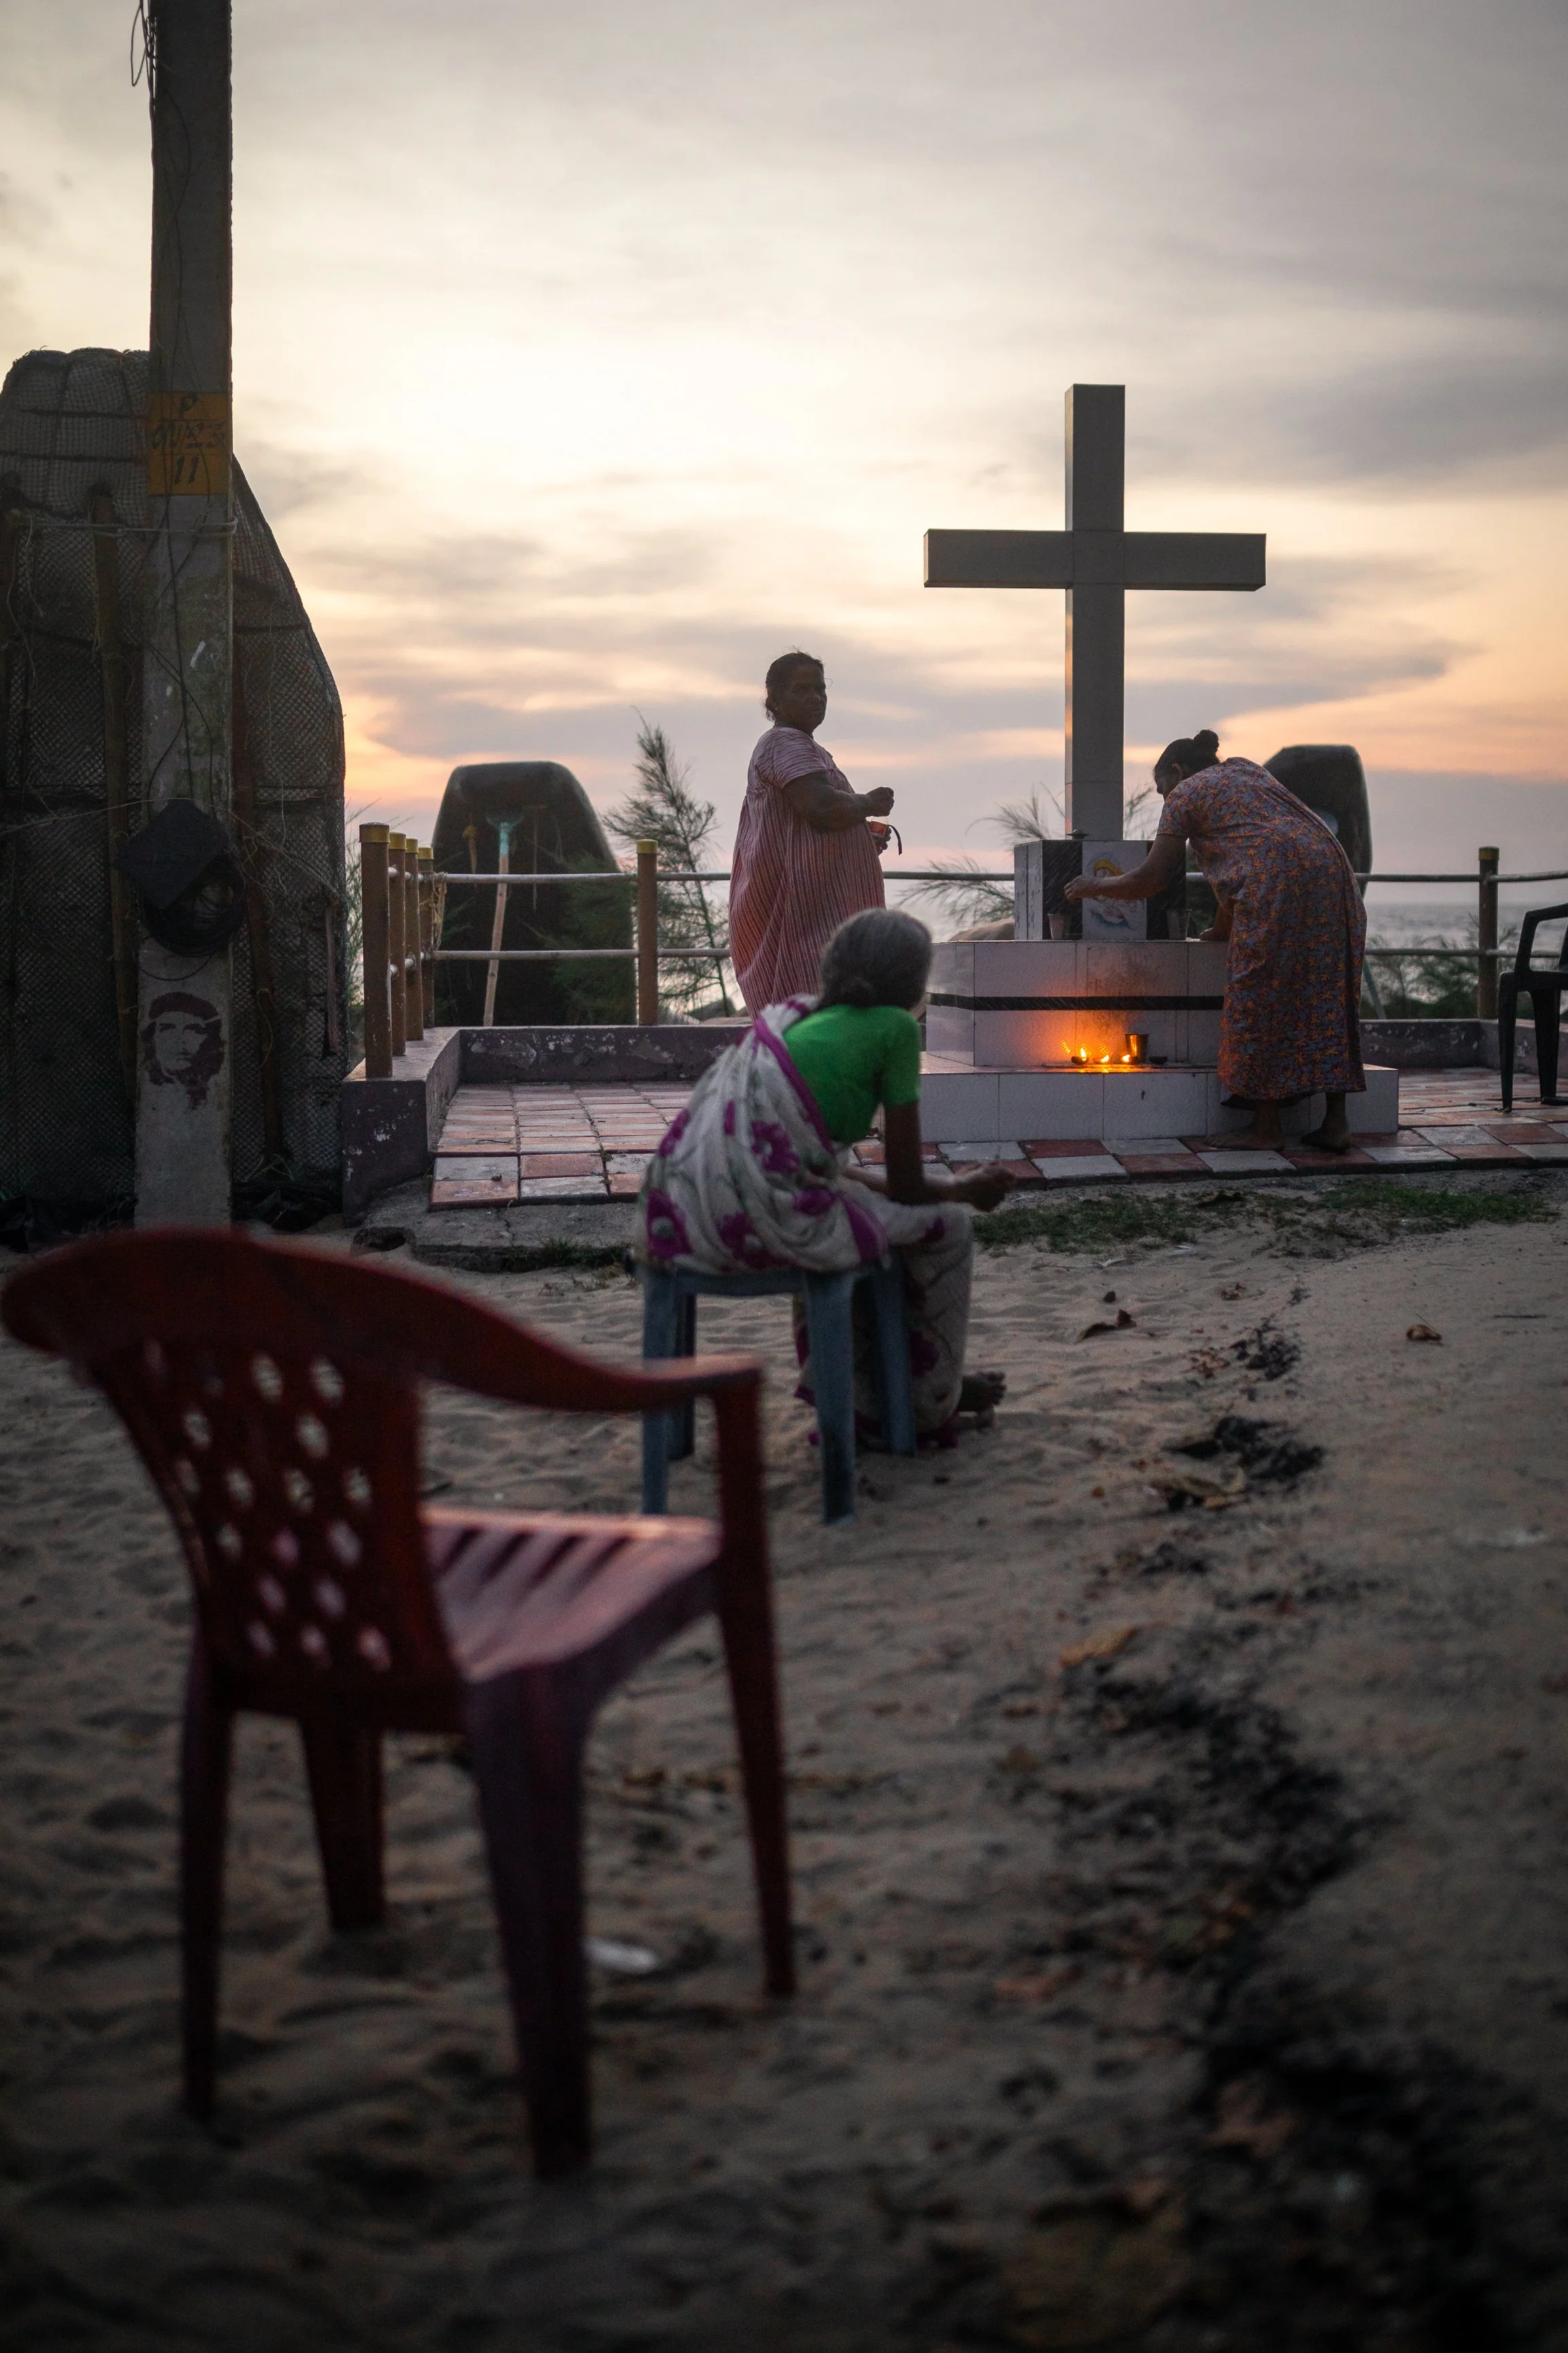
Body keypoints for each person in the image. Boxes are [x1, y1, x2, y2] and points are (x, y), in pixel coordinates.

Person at [638, 908, 1013, 1441]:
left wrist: (940, 1186)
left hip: (678, 1215)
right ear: (913, 981)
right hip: (764, 1219)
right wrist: (962, 1190)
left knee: (856, 1215)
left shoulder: (796, 1021)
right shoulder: (896, 1029)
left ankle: (867, 1398)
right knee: (947, 1226)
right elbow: (908, 1187)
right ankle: (931, 1399)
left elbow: (816, 1171)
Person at [1065, 728, 1366, 1151]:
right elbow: (1244, 853)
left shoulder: (1186, 794)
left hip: (1278, 883)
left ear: (1177, 771)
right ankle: (1336, 1122)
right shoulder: (1247, 772)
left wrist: (1091, 887)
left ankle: (1266, 1128)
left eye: (1161, 790)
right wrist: (1221, 930)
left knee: (1257, 995)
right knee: (1329, 991)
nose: (1164, 800)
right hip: (1334, 874)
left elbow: (1153, 878)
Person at [729, 651, 895, 1016]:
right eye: (802, 689)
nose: (815, 698)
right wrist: (869, 802)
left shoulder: (805, 747)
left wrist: (859, 840)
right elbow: (820, 807)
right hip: (802, 917)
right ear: (773, 699)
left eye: (820, 689)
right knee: (812, 1012)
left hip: (817, 911)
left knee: (820, 1012)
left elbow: (810, 821)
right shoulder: (784, 742)